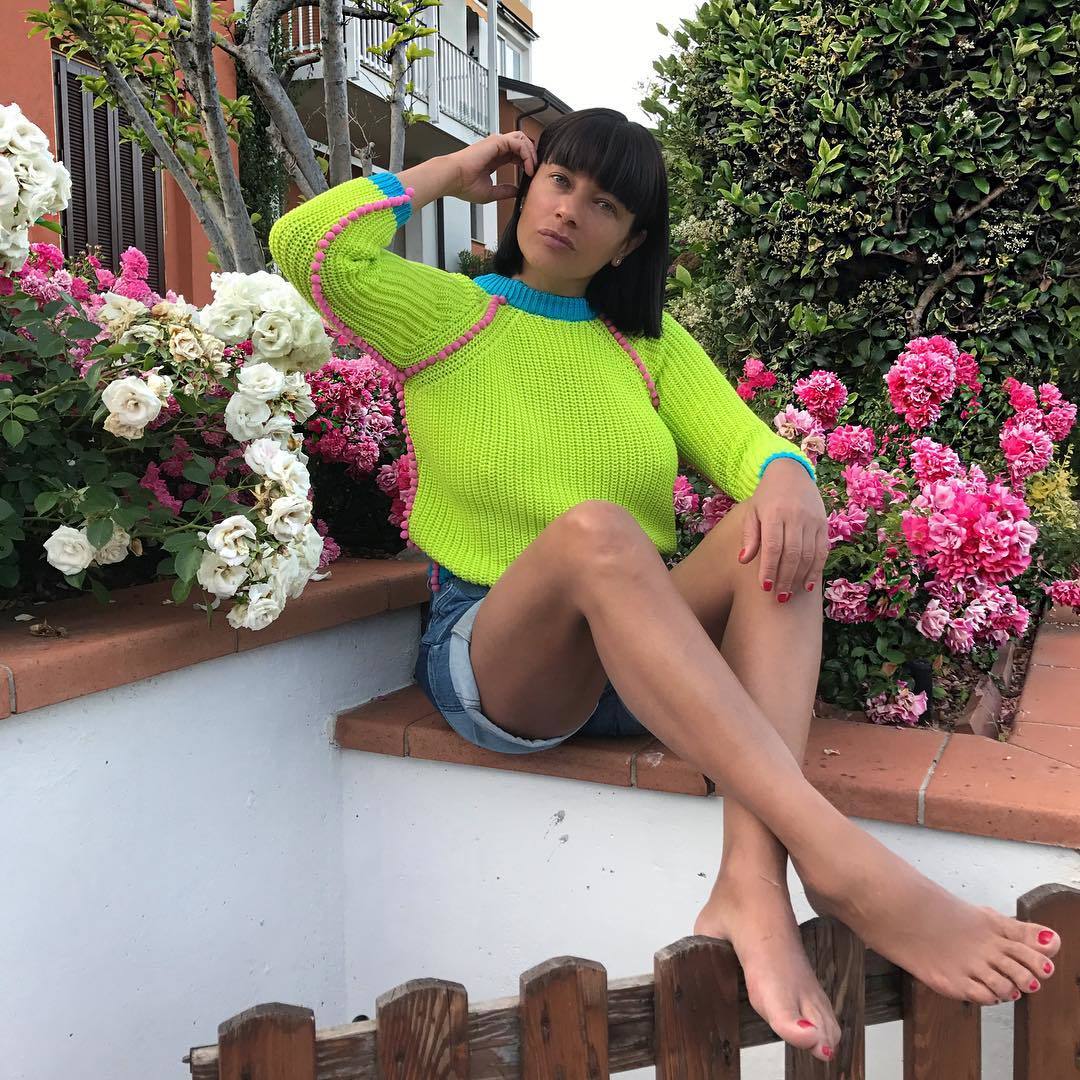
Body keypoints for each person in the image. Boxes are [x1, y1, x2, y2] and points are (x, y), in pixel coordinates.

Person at [269, 108, 1060, 1063]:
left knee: (774, 532)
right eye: (560, 181)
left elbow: (749, 444)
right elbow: (307, 246)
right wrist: (454, 167)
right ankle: (841, 862)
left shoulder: (647, 347)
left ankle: (751, 885)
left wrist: (788, 475)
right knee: (597, 531)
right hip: (502, 658)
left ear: (630, 241)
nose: (571, 210)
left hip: (636, 657)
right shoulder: (447, 313)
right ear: (526, 185)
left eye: (605, 205)